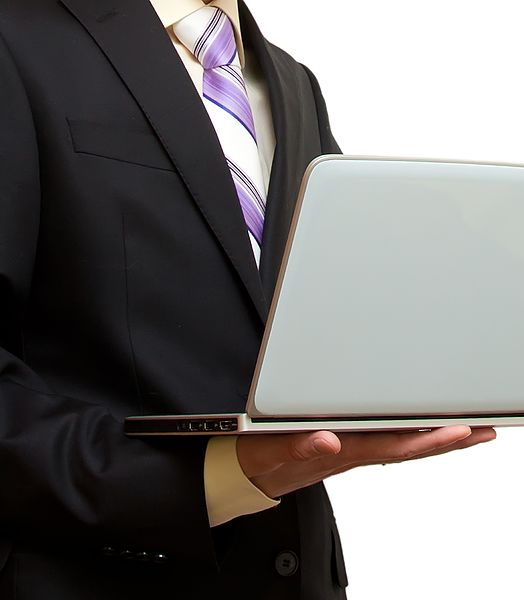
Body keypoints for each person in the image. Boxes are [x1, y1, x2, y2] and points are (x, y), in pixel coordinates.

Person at [0, 0, 496, 598]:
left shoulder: (292, 82)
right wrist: (214, 477)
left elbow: (298, 317)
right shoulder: (16, 38)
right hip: (88, 575)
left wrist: (417, 362)